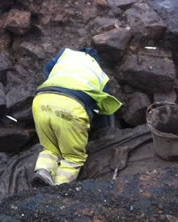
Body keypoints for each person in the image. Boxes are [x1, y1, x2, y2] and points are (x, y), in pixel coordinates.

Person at [32, 48, 122, 186]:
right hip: (71, 108)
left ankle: (43, 171)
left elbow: (47, 70)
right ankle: (59, 187)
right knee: (73, 158)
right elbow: (103, 108)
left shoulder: (65, 55)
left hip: (41, 100)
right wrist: (103, 131)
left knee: (50, 148)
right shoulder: (100, 74)